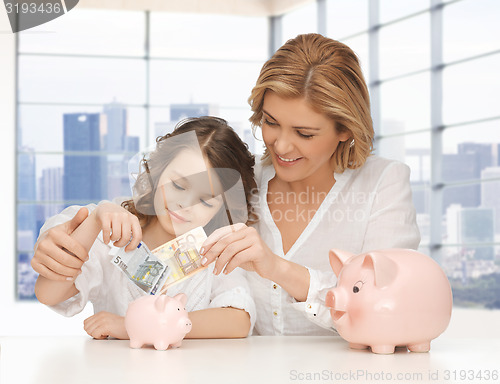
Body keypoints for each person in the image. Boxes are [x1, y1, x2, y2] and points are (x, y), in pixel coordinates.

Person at [199, 33, 421, 335]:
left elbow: (389, 308)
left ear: (345, 129)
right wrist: (114, 213)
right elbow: (157, 217)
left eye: (304, 133)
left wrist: (278, 268)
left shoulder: (383, 184)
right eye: (271, 123)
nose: (282, 146)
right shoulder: (241, 176)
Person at [32, 116, 258, 340]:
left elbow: (238, 320)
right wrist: (95, 220)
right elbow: (48, 293)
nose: (185, 204)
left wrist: (137, 327)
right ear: (158, 172)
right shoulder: (111, 232)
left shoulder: (215, 249)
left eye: (207, 201)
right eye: (178, 185)